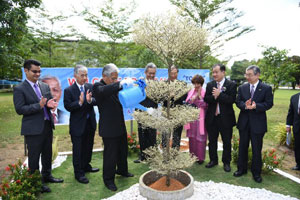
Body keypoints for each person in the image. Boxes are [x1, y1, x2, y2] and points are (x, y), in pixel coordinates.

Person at [13, 59, 63, 193]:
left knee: (47, 154)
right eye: (34, 71)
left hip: (47, 125)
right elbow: (20, 109)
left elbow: (48, 101)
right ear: (26, 71)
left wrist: (50, 104)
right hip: (33, 129)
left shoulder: (44, 86)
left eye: (39, 71)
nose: (37, 74)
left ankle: (47, 176)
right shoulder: (19, 89)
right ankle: (36, 183)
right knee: (34, 158)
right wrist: (39, 106)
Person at [93, 63, 134, 192]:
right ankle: (108, 179)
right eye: (113, 78)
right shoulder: (98, 86)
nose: (115, 80)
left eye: (116, 78)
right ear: (104, 76)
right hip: (109, 128)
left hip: (120, 124)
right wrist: (120, 84)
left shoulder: (114, 86)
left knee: (122, 150)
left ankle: (122, 170)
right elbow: (104, 91)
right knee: (110, 155)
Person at [234, 65, 273, 183]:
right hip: (244, 123)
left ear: (257, 75)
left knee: (257, 149)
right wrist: (244, 105)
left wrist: (257, 106)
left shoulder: (266, 88)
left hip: (258, 124)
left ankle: (256, 173)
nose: (247, 77)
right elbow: (238, 101)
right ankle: (241, 169)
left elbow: (269, 104)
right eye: (246, 74)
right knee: (242, 147)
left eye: (250, 74)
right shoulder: (242, 87)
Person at [63, 65, 99, 184]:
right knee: (78, 150)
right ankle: (79, 173)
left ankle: (86, 166)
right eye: (82, 75)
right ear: (75, 75)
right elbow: (67, 106)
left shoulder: (90, 87)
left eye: (86, 75)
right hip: (77, 126)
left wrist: (89, 100)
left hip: (90, 123)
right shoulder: (68, 90)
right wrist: (79, 102)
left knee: (88, 147)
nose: (85, 78)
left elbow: (96, 100)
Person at [204, 64, 236, 172]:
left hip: (226, 119)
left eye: (216, 72)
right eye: (213, 72)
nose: (214, 74)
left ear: (223, 72)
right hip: (212, 118)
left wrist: (220, 94)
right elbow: (206, 99)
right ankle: (213, 160)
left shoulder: (231, 84)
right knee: (212, 141)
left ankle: (226, 162)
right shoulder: (210, 84)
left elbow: (232, 100)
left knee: (226, 141)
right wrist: (215, 96)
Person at [134, 63, 158, 163]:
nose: (152, 75)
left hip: (153, 113)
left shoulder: (158, 84)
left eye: (153, 73)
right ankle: (143, 156)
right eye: (150, 73)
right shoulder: (139, 83)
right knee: (142, 134)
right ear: (145, 72)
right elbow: (135, 97)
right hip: (141, 112)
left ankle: (153, 157)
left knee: (152, 135)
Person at [162, 65, 188, 149]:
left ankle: (175, 153)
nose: (173, 75)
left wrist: (175, 95)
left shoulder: (182, 84)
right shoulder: (164, 84)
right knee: (165, 133)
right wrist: (168, 96)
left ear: (177, 73)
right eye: (171, 73)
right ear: (168, 73)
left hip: (178, 111)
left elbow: (185, 97)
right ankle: (165, 152)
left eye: (175, 73)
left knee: (177, 133)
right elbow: (160, 98)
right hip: (166, 112)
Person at [184, 75, 207, 164]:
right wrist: (192, 99)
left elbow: (205, 105)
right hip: (191, 118)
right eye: (195, 83)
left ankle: (200, 158)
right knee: (192, 137)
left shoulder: (204, 92)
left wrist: (198, 97)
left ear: (201, 84)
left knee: (200, 138)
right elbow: (187, 102)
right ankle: (192, 156)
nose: (196, 85)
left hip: (200, 118)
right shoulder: (191, 91)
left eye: (198, 83)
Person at [286, 92, 300, 171]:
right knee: (297, 145)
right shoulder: (294, 97)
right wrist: (288, 125)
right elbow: (291, 112)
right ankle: (298, 164)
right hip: (297, 126)